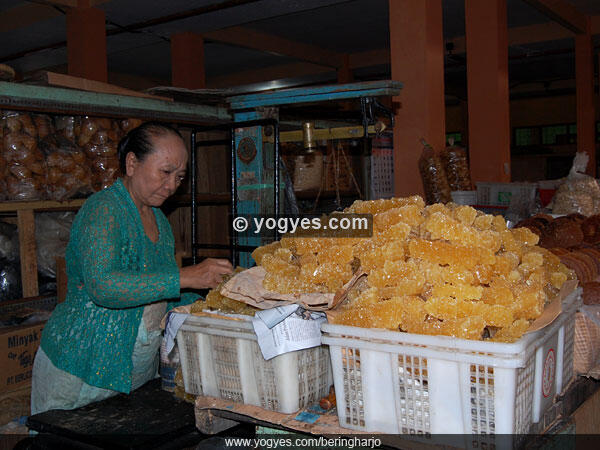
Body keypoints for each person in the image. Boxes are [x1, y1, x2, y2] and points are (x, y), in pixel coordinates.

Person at [31, 122, 232, 414]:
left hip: (132, 372)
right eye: (165, 172)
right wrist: (188, 276)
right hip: (80, 369)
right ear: (132, 163)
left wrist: (218, 300)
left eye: (180, 176)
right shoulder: (104, 209)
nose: (172, 185)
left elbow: (165, 292)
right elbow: (104, 287)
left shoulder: (160, 221)